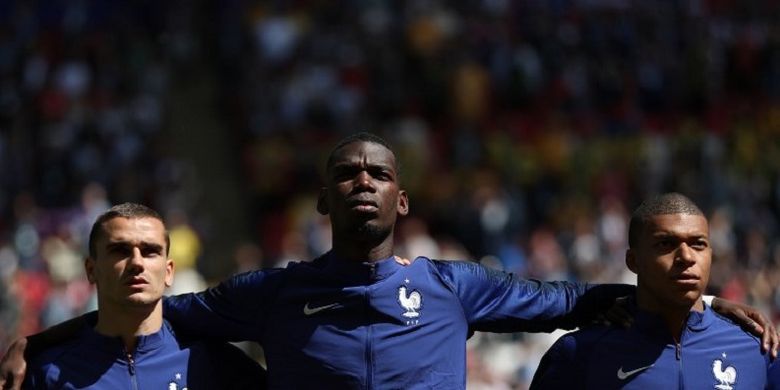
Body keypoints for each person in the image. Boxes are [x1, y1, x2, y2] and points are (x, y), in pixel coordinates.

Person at [1, 134, 776, 389]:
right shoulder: (272, 293)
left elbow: (576, 298)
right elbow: (142, 316)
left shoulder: (455, 285)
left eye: (378, 174)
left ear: (401, 202)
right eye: (346, 175)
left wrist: (704, 308)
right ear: (322, 204)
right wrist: (34, 344)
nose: (362, 183)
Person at [530, 193, 775, 389]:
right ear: (632, 261)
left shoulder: (757, 349)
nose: (686, 256)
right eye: (665, 244)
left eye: (698, 244)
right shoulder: (580, 354)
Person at [22, 203, 265, 389]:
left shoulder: (217, 365)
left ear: (169, 271)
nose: (137, 262)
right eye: (120, 250)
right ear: (91, 270)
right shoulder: (47, 373)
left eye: (150, 251)